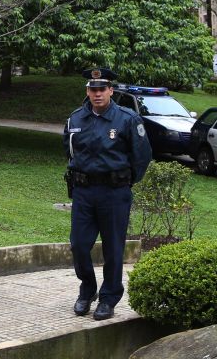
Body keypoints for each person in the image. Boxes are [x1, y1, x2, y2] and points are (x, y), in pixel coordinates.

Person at [63, 67, 151, 321]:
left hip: (114, 193)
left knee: (113, 248)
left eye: (102, 89)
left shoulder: (127, 119)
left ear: (111, 90)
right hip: (83, 192)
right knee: (79, 245)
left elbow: (142, 157)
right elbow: (68, 151)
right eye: (93, 89)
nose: (97, 93)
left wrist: (124, 181)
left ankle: (109, 298)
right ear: (87, 91)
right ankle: (87, 290)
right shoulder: (76, 119)